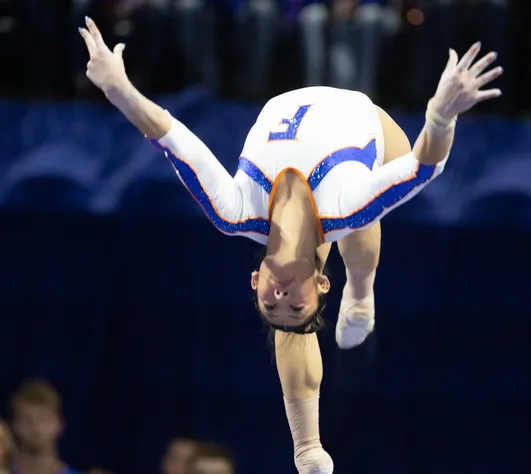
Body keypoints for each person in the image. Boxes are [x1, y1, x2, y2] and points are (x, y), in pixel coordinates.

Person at [78, 16, 502, 472]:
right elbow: (424, 167)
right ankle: (357, 298)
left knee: (352, 233)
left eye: (269, 304)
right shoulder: (344, 205)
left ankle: (312, 421)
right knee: (361, 224)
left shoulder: (233, 211)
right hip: (372, 126)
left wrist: (117, 89)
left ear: (256, 278)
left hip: (288, 101)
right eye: (293, 307)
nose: (280, 299)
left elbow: (171, 138)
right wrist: (442, 115)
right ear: (320, 284)